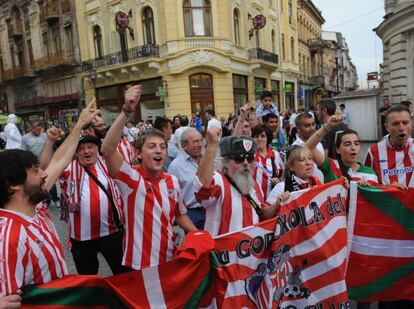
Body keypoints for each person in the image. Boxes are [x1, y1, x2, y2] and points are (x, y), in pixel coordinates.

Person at [0, 102, 99, 297]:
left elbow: (59, 161)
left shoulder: (36, 206)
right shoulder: (8, 238)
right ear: (14, 184)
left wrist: (79, 125)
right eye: (36, 170)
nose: (45, 174)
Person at [101, 85, 197, 270]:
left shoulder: (172, 181)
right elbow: (107, 149)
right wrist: (126, 110)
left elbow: (180, 214)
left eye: (162, 146)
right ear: (138, 153)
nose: (159, 150)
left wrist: (198, 235)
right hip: (138, 266)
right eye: (152, 146)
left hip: (170, 260)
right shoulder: (131, 178)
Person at [194, 128, 289, 236]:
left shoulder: (252, 184)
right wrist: (212, 145)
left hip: (251, 249)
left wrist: (276, 204)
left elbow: (262, 214)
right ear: (225, 162)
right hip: (224, 250)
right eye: (239, 158)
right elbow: (202, 187)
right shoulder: (218, 180)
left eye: (249, 159)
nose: (245, 163)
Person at [57, 134, 127, 275]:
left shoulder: (108, 164)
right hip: (81, 237)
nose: (86, 151)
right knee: (88, 279)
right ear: (75, 153)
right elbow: (48, 166)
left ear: (97, 148)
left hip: (111, 232)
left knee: (123, 273)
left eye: (90, 147)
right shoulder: (67, 169)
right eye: (81, 148)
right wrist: (50, 141)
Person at [305, 115, 378, 184]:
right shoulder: (331, 166)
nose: (353, 148)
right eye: (347, 144)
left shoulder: (370, 173)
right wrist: (327, 127)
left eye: (356, 143)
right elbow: (308, 147)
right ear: (337, 149)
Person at [365, 104, 413, 189]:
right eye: (395, 124)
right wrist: (387, 189)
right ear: (387, 127)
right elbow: (366, 185)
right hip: (387, 201)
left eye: (405, 123)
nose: (401, 128)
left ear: (412, 123)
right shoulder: (373, 151)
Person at [168, 128, 205, 230]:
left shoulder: (207, 159)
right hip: (192, 214)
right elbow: (171, 195)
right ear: (185, 146)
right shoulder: (175, 166)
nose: (200, 144)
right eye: (195, 141)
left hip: (213, 211)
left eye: (201, 140)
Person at [251, 125, 284, 199]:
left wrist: (278, 180)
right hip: (254, 201)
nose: (259, 139)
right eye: (256, 136)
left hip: (272, 200)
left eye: (263, 136)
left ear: (268, 138)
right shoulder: (250, 156)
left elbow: (284, 174)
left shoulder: (276, 155)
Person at [292, 112, 324, 182]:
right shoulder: (294, 148)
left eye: (313, 124)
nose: (312, 128)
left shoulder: (319, 144)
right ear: (298, 128)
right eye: (307, 125)